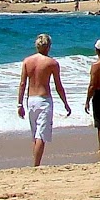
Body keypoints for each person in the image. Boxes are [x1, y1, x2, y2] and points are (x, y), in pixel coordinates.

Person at [17, 33, 71, 167]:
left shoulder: (27, 61)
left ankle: (35, 162)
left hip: (31, 100)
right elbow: (58, 86)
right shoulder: (52, 63)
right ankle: (36, 165)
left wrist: (19, 104)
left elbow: (22, 84)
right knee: (41, 135)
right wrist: (65, 103)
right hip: (44, 99)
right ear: (48, 46)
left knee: (35, 133)